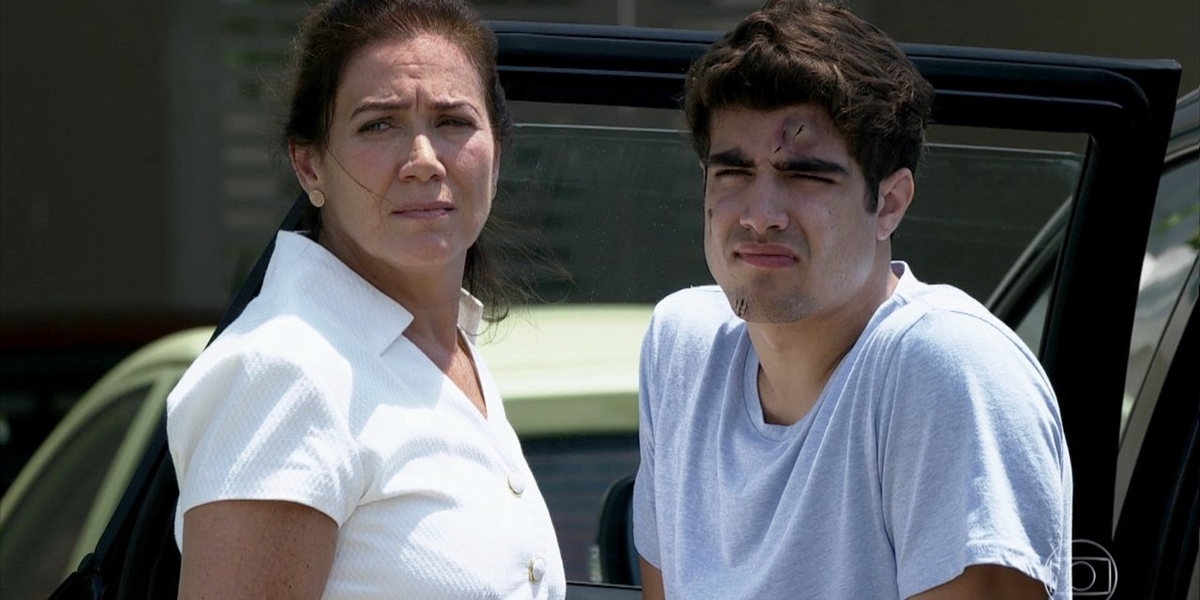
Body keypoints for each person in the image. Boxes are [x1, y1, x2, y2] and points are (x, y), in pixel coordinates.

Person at [632, 1, 1072, 599]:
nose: (761, 216)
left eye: (806, 176)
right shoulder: (679, 347)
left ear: (889, 203)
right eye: (732, 173)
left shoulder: (947, 369)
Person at [166, 0, 566, 598]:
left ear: (497, 152)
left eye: (454, 121)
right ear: (309, 167)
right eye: (379, 124)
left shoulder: (445, 347)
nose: (424, 161)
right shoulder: (285, 371)